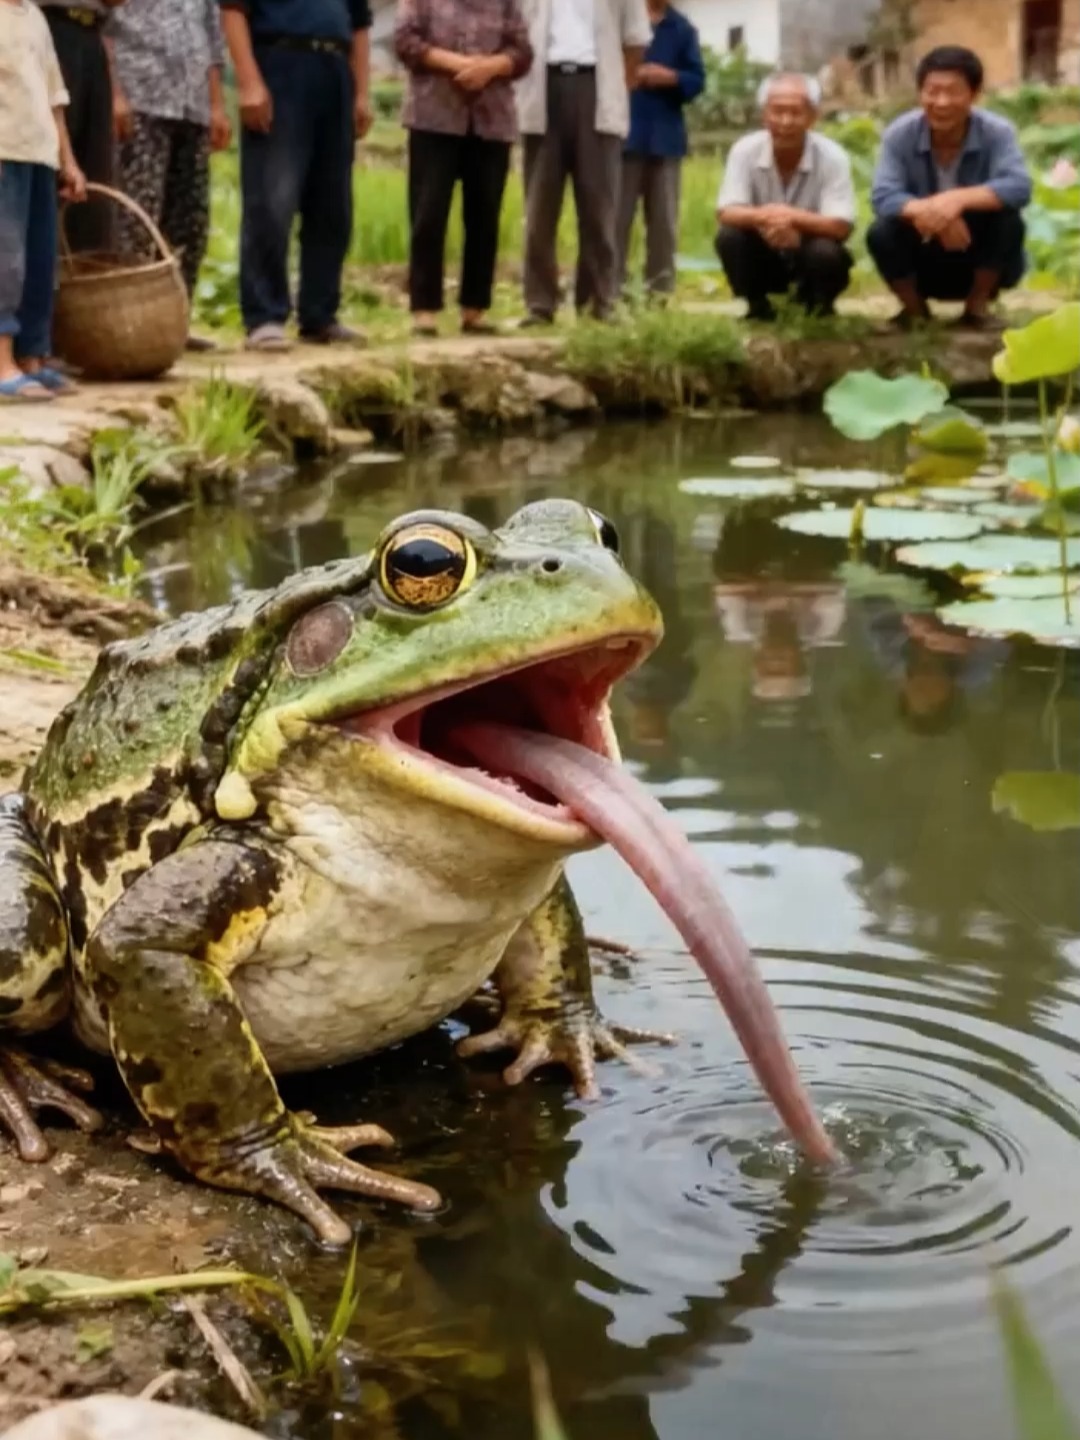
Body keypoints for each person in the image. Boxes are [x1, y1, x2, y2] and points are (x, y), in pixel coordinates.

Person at [219, 0, 373, 353]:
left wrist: (362, 92)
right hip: (280, 63)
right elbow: (233, 11)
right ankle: (265, 316)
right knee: (272, 198)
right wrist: (249, 82)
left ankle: (320, 314)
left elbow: (360, 25)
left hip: (335, 70)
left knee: (332, 205)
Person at [394, 0, 532, 339]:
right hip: (433, 115)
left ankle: (475, 309)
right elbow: (405, 41)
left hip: (492, 119)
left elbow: (523, 51)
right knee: (429, 214)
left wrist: (490, 67)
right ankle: (424, 310)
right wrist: (458, 64)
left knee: (484, 216)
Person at [868, 46, 1032, 329]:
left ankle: (977, 309)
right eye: (932, 91)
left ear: (974, 94)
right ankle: (914, 313)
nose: (941, 102)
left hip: (975, 254)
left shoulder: (997, 132)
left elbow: (1018, 186)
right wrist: (932, 212)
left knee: (1008, 220)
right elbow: (883, 195)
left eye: (953, 91)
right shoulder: (900, 134)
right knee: (881, 230)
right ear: (920, 93)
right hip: (924, 256)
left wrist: (957, 199)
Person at [516, 0, 652, 325]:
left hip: (597, 85)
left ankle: (597, 302)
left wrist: (618, 87)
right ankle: (540, 303)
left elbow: (634, 41)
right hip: (542, 86)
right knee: (539, 208)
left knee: (598, 206)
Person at [110, 0, 232, 353]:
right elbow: (105, 25)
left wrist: (216, 105)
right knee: (137, 218)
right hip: (141, 97)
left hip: (192, 105)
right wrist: (115, 92)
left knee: (190, 219)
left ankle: (174, 321)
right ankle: (129, 325)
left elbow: (210, 38)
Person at [714, 72, 856, 321]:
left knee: (826, 252)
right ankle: (757, 308)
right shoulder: (744, 150)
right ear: (764, 115)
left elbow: (841, 225)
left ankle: (817, 308)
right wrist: (768, 218)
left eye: (795, 112)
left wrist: (793, 219)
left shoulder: (833, 156)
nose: (786, 121)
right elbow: (727, 211)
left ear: (812, 117)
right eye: (777, 111)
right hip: (764, 250)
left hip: (809, 251)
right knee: (730, 237)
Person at [0, 0, 86, 401]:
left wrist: (67, 160)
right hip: (5, 150)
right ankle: (2, 364)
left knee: (39, 260)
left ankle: (33, 356)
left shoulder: (35, 18)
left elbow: (55, 97)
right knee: (6, 260)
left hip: (40, 154)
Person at [615, 0, 703, 301]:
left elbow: (697, 80)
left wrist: (671, 77)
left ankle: (660, 293)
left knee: (664, 223)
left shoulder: (681, 27)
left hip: (665, 138)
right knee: (615, 220)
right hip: (622, 135)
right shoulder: (619, 18)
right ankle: (611, 292)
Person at [34, 0, 123, 254]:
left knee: (93, 180)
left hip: (91, 34)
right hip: (45, 27)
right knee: (48, 167)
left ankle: (86, 282)